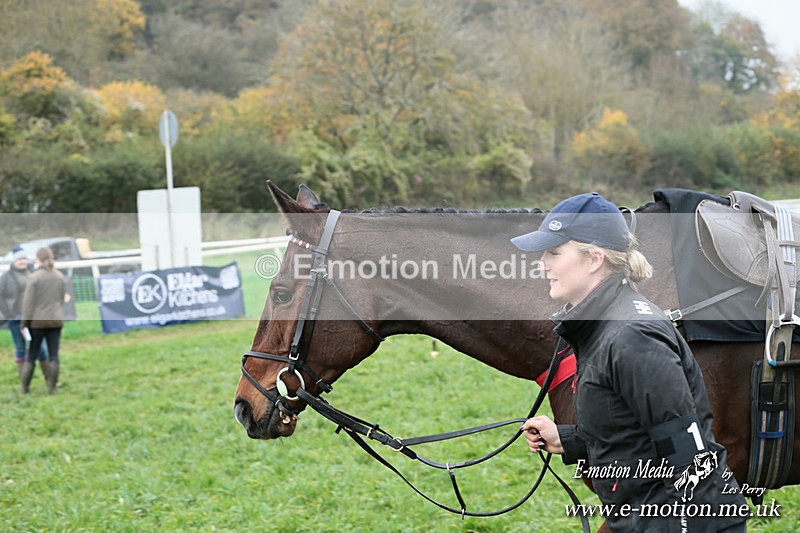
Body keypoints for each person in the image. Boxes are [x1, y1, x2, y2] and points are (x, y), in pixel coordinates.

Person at [511, 193, 747, 532]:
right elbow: (633, 432)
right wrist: (568, 440)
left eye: (554, 252)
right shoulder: (603, 325)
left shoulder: (632, 336)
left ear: (594, 258)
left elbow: (689, 454)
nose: (543, 263)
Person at [20, 247, 66, 394]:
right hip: (55, 320)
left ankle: (25, 387)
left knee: (32, 354)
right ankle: (52, 388)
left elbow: (28, 304)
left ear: (38, 259)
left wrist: (24, 323)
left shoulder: (34, 278)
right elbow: (60, 299)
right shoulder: (59, 276)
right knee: (54, 355)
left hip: (37, 322)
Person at [0, 245, 48, 381]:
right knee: (20, 349)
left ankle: (50, 379)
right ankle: (24, 382)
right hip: (16, 319)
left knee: (41, 349)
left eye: (24, 258)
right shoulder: (5, 278)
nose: (23, 261)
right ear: (14, 261)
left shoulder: (34, 273)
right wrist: (8, 313)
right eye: (19, 259)